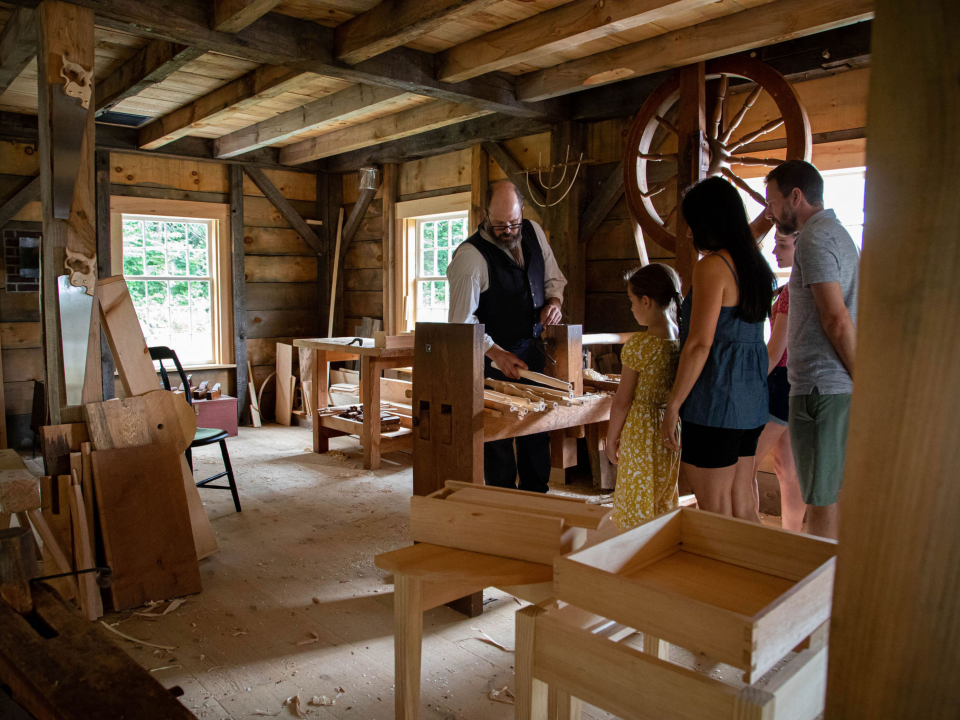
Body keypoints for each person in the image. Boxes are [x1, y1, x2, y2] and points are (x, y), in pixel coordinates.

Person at [660, 177, 776, 521]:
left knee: (716, 513)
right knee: (743, 505)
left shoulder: (713, 267)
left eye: (692, 224)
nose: (689, 234)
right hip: (751, 401)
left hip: (715, 401)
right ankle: (758, 574)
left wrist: (673, 404)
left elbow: (699, 344)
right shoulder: (755, 265)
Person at [446, 181, 566, 493]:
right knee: (498, 434)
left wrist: (555, 303)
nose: (508, 230)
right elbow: (461, 323)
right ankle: (501, 499)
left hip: (532, 350)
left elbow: (554, 279)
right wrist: (496, 353)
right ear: (485, 215)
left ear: (522, 212)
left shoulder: (534, 233)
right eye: (500, 225)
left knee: (536, 427)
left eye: (513, 223)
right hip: (489, 360)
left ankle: (535, 494)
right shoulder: (470, 258)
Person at [764, 160, 858, 540]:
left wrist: (861, 377)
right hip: (829, 386)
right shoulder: (837, 233)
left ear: (796, 197)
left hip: (820, 386)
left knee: (820, 499)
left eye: (772, 201)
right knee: (828, 492)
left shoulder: (816, 238)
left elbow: (836, 318)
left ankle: (818, 595)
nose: (770, 213)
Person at [605, 264, 683, 529]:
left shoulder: (640, 344)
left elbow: (622, 400)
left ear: (646, 301)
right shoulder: (681, 339)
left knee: (635, 496)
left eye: (631, 301)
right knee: (661, 492)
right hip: (669, 426)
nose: (630, 308)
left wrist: (611, 437)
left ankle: (631, 548)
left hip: (641, 429)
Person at [753, 230, 807, 532]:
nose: (775, 250)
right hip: (795, 382)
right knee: (786, 466)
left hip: (780, 382)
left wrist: (752, 382)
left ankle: (751, 531)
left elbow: (776, 349)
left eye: (782, 244)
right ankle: (791, 532)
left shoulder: (791, 291)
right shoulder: (798, 287)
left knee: (745, 463)